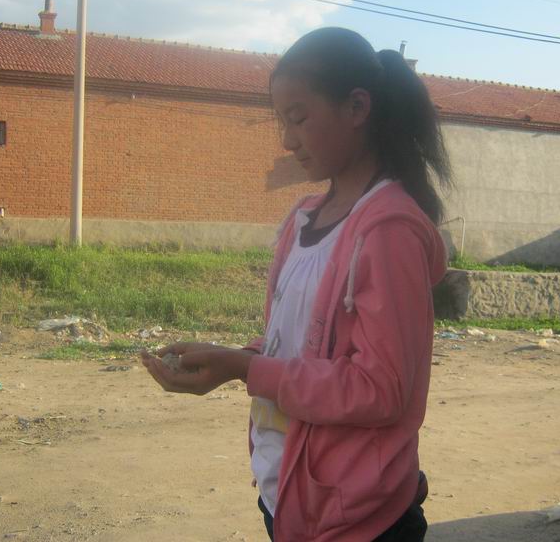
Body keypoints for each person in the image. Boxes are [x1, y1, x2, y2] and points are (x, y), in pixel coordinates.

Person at [142, 26, 451, 541]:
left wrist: (247, 369)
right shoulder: (304, 219)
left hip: (356, 515)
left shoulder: (388, 231)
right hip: (288, 492)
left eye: (299, 118)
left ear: (357, 107)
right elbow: (300, 347)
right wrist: (231, 360)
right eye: (282, 122)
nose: (288, 140)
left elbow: (380, 390)